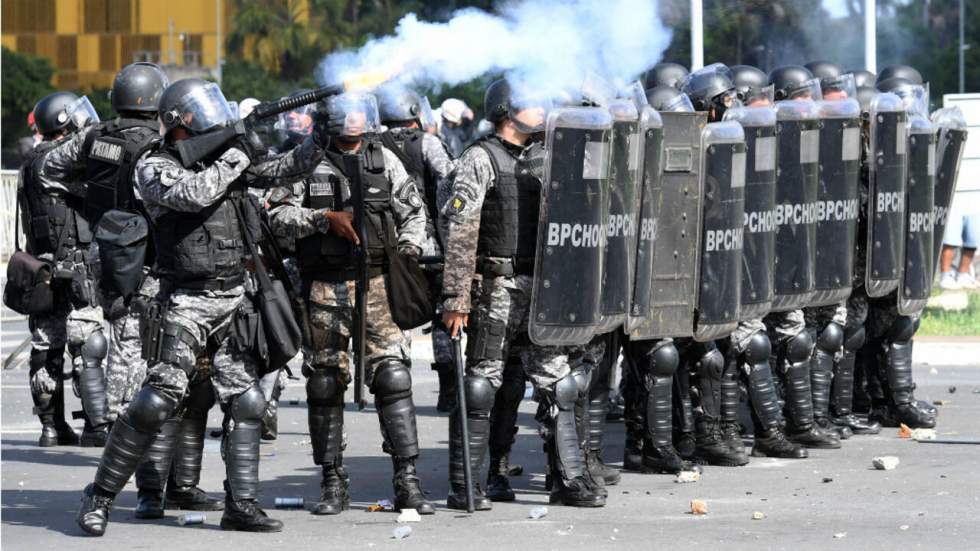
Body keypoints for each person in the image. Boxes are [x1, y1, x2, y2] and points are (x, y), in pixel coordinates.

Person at [76, 77, 327, 536]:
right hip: (183, 300)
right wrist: (237, 150)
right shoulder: (154, 163)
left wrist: (320, 136)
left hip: (234, 296)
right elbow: (192, 194)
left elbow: (284, 170)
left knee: (247, 401)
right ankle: (100, 496)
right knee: (159, 399)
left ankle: (242, 504)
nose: (212, 114)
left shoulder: (224, 157)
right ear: (178, 120)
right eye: (199, 109)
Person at [39, 62, 225, 517]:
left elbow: (50, 170)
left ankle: (159, 489)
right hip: (156, 265)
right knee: (157, 380)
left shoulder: (94, 137)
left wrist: (92, 204)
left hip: (112, 259)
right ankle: (150, 492)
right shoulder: (156, 148)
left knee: (149, 374)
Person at [268, 91, 435, 516]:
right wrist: (322, 220)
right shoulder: (305, 161)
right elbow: (277, 215)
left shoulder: (384, 158)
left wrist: (409, 252)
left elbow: (415, 213)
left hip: (378, 285)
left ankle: (407, 480)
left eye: (362, 111)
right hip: (324, 286)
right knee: (325, 382)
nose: (356, 119)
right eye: (347, 113)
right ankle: (332, 481)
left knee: (393, 377)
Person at [441, 78, 605, 509]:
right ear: (505, 109)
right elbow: (460, 232)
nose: (540, 108)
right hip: (496, 287)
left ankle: (568, 479)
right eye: (531, 102)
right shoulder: (479, 158)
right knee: (483, 386)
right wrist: (456, 299)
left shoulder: (546, 156)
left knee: (560, 383)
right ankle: (469, 484)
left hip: (543, 287)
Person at [18, 91, 100, 448]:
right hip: (75, 264)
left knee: (46, 345)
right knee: (88, 343)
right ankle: (97, 426)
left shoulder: (30, 162)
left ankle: (51, 427)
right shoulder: (60, 160)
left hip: (43, 267)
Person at [376, 85, 458, 412]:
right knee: (440, 316)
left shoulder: (372, 145)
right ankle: (449, 390)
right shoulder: (427, 142)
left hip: (387, 244)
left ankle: (397, 390)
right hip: (427, 244)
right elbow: (451, 179)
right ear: (413, 112)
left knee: (397, 314)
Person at [938, 214, 979, 290]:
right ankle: (945, 276)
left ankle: (963, 275)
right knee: (949, 239)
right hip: (956, 204)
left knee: (972, 239)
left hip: (975, 204)